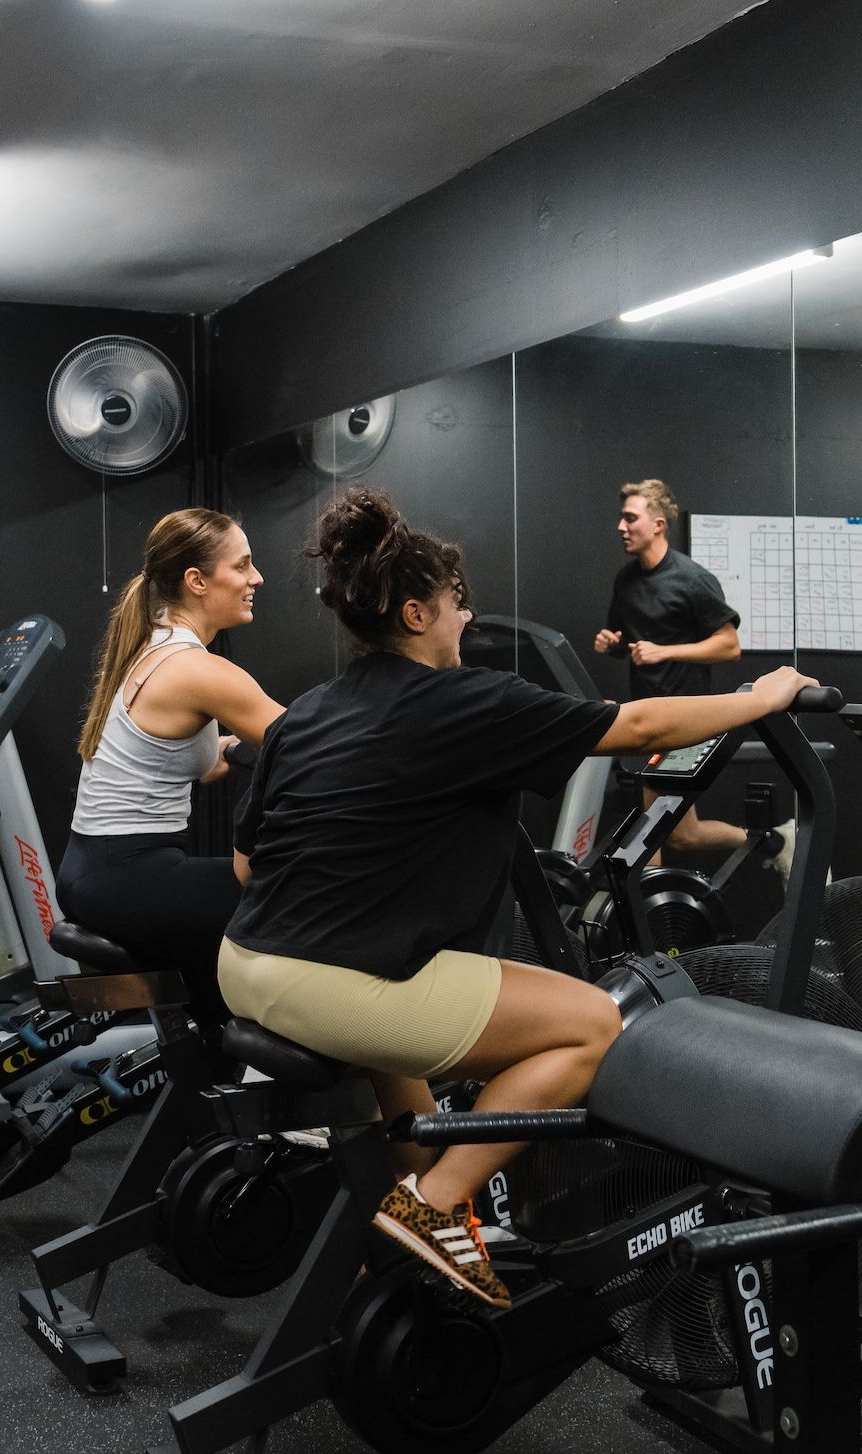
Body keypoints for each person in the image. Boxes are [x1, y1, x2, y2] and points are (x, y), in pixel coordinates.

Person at [222, 488, 818, 1308]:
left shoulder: (309, 711)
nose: (466, 618)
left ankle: (416, 1209)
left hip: (244, 963)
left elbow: (247, 865)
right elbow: (639, 727)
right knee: (593, 1022)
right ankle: (433, 1207)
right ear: (416, 613)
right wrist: (758, 699)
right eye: (456, 603)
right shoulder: (470, 699)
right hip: (329, 984)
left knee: (396, 1030)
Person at [57, 509, 283, 1019]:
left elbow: (180, 760)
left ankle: (214, 1043)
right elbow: (316, 747)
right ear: (197, 581)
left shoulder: (152, 648)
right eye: (242, 565)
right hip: (128, 876)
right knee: (290, 899)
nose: (256, 578)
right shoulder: (198, 670)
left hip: (94, 872)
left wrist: (229, 750)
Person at [591, 478, 780, 864]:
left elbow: (728, 646)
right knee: (681, 836)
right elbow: (627, 641)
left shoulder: (692, 579)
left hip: (684, 720)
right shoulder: (626, 580)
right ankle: (775, 843)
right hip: (646, 718)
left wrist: (664, 652)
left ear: (658, 525)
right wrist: (612, 644)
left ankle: (775, 843)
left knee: (653, 834)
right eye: (621, 518)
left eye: (631, 518)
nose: (621, 527)